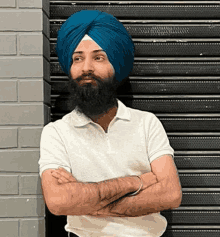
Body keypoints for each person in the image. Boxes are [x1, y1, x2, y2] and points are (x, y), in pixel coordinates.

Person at [39, 10, 182, 237]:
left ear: (116, 66)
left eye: (98, 57)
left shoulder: (146, 123)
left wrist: (88, 202)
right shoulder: (56, 132)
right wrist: (134, 182)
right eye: (77, 58)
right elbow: (58, 201)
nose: (86, 68)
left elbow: (171, 194)